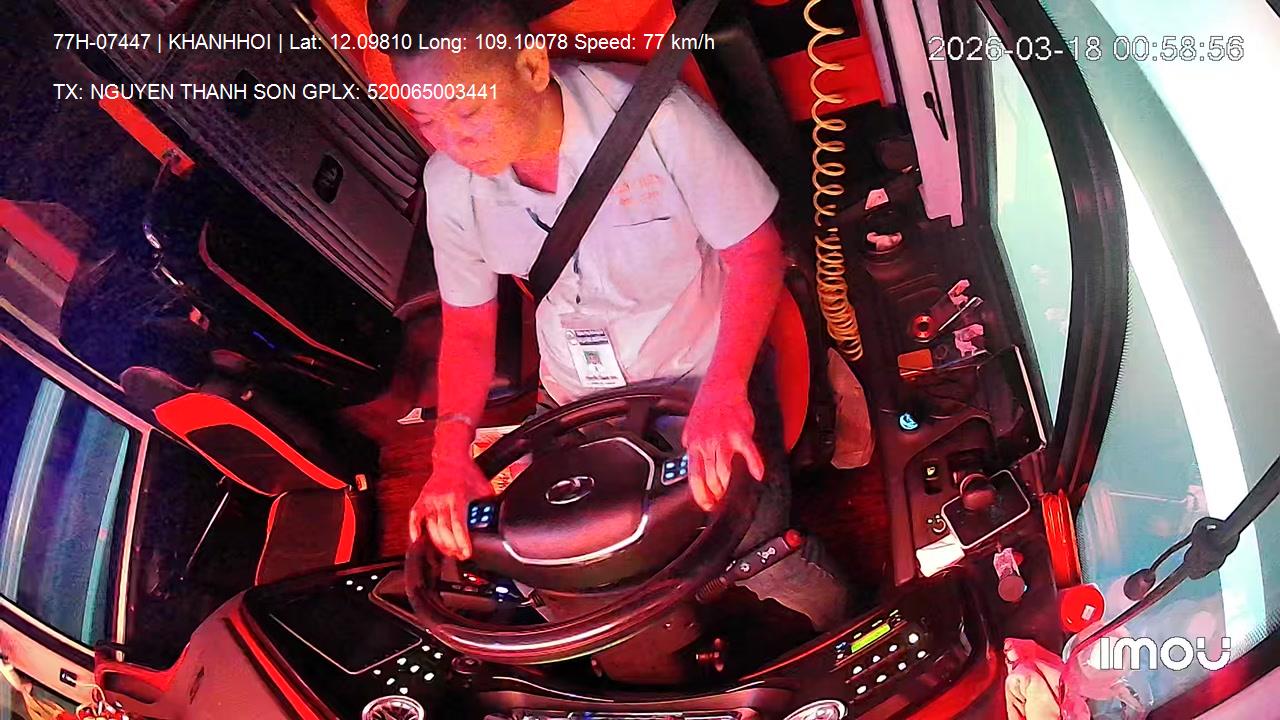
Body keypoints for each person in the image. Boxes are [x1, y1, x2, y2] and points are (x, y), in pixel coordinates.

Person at [394, 0, 847, 632]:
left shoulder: (660, 121)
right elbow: (469, 326)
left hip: (699, 375)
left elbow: (756, 254)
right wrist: (448, 452)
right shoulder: (449, 183)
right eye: (427, 123)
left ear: (531, 67)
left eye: (468, 114)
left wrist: (724, 394)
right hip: (572, 394)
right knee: (543, 557)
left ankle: (843, 619)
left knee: (752, 538)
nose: (451, 143)